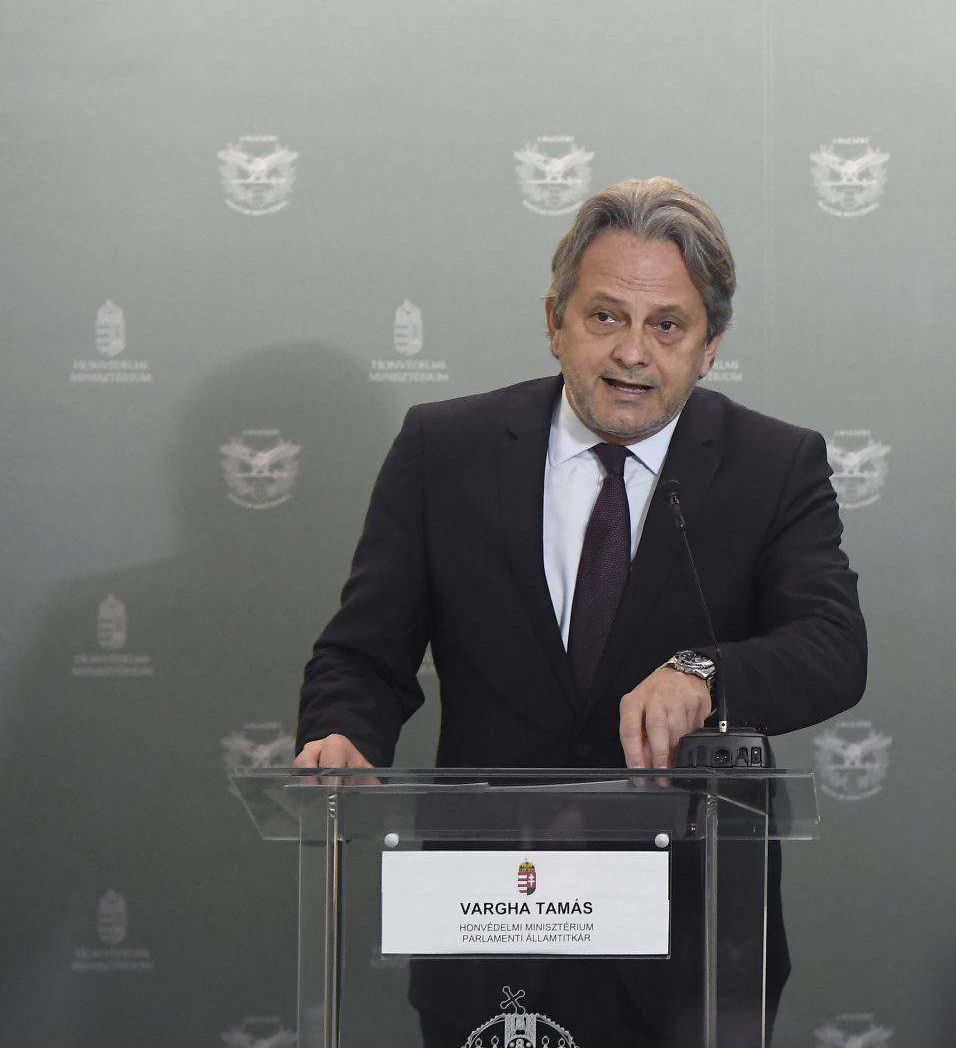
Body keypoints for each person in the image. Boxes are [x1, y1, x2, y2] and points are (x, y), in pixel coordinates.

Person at [294, 177, 867, 1046]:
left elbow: (833, 646)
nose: (633, 352)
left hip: (688, 938)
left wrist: (705, 673)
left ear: (709, 346)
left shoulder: (773, 465)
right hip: (486, 919)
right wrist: (343, 733)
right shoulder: (444, 451)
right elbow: (363, 654)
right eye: (605, 316)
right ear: (554, 320)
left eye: (667, 325)